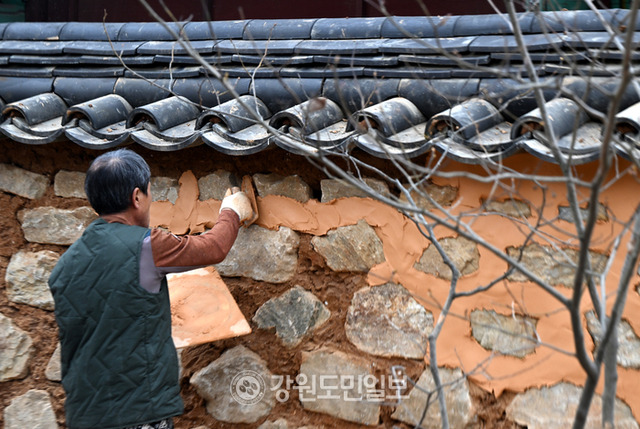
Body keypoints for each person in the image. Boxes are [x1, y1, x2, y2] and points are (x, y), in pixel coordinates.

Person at [48, 148, 254, 429]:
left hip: (85, 414)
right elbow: (214, 247)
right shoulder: (146, 245)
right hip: (137, 411)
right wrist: (231, 211)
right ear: (136, 197)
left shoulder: (66, 264)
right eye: (148, 193)